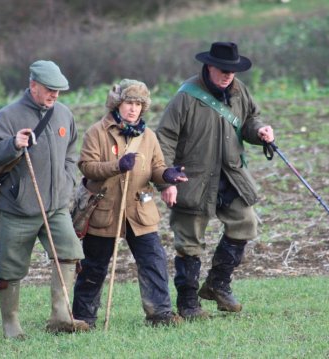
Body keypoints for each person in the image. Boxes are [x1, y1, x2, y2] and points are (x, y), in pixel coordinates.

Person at [155, 42, 275, 320]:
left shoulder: (239, 90)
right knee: (189, 240)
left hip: (231, 175)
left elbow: (250, 120)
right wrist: (166, 180)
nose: (228, 75)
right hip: (193, 179)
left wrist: (260, 132)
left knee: (246, 222)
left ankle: (217, 284)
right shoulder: (185, 97)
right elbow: (165, 138)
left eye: (232, 71)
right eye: (223, 70)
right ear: (209, 66)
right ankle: (188, 302)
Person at [0, 60, 89, 338]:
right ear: (33, 86)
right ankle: (11, 325)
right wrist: (13, 144)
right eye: (50, 89)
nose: (55, 95)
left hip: (55, 208)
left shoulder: (64, 114)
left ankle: (61, 317)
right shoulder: (8, 116)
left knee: (69, 252)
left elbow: (72, 150)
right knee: (10, 267)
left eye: (59, 90)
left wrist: (67, 181)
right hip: (18, 208)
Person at [72, 79, 187, 328]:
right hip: (104, 211)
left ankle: (161, 315)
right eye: (128, 102)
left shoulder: (148, 136)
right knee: (94, 267)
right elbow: (87, 166)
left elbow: (156, 167)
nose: (133, 108)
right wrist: (117, 166)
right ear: (117, 103)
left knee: (154, 262)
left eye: (138, 104)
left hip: (139, 211)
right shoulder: (97, 132)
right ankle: (83, 318)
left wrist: (167, 175)